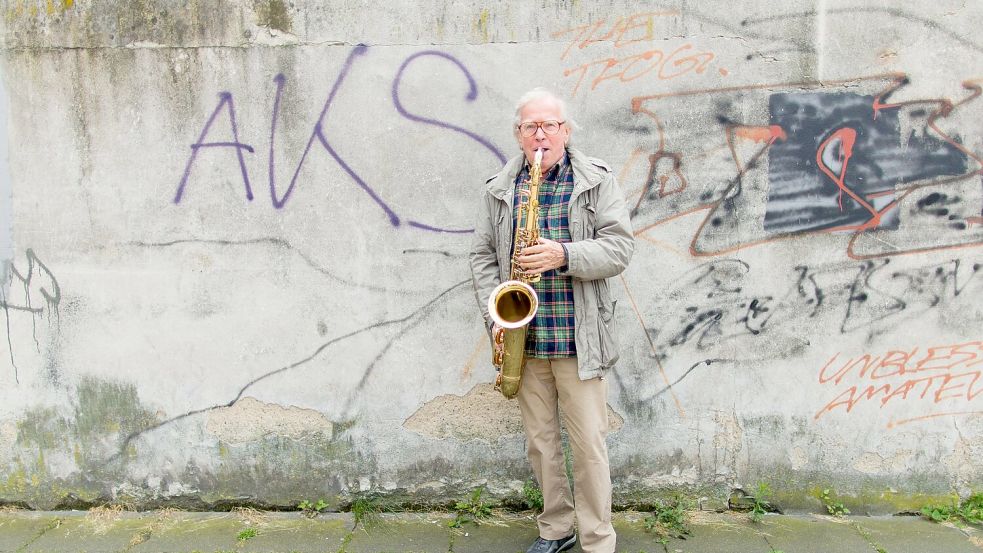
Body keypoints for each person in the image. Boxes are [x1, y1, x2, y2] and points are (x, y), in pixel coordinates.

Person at [469, 88, 635, 553]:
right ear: (518, 134)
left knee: (588, 448)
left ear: (566, 130)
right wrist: (496, 312)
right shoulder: (501, 187)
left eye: (549, 125)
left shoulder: (596, 181)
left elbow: (620, 248)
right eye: (530, 126)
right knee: (541, 445)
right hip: (526, 335)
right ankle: (556, 530)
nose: (539, 134)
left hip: (578, 336)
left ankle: (598, 540)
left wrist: (563, 254)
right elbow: (482, 255)